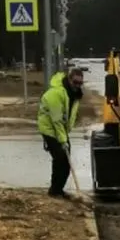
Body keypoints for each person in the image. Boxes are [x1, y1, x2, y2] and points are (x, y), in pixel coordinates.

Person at [37, 66, 85, 197]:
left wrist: (65, 136)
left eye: (80, 83)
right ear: (69, 79)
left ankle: (59, 190)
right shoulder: (56, 94)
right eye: (75, 82)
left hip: (61, 130)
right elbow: (56, 120)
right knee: (60, 159)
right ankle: (54, 191)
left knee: (66, 162)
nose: (77, 86)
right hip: (49, 129)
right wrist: (63, 140)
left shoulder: (74, 94)